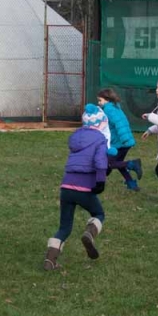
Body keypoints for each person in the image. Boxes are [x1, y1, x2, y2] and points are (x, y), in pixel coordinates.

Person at [43, 104, 109, 271]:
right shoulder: (100, 139)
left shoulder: (75, 137)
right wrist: (100, 181)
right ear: (100, 123)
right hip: (84, 188)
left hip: (66, 188)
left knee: (64, 227)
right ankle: (89, 233)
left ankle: (50, 260)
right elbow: (100, 162)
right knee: (99, 214)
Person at [96, 88, 142, 191]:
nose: (99, 103)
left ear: (107, 99)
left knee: (110, 164)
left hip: (119, 143)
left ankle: (132, 164)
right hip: (123, 142)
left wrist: (124, 139)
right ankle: (131, 184)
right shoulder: (115, 107)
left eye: (100, 100)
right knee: (119, 163)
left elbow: (119, 123)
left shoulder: (109, 109)